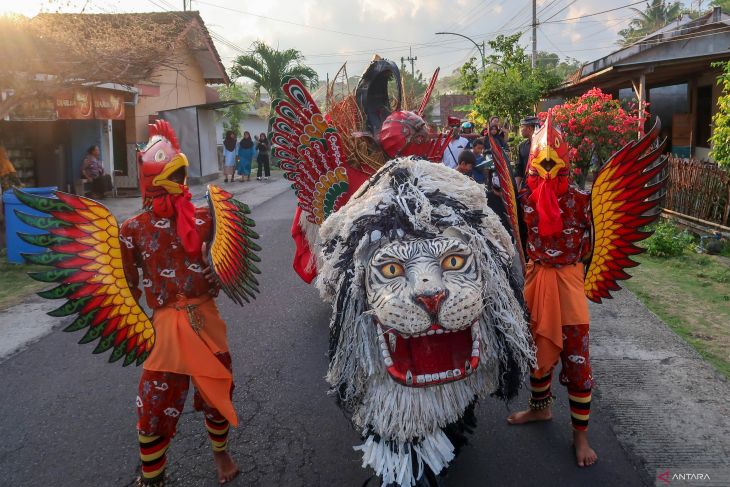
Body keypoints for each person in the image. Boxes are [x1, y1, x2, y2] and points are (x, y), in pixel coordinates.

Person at [121, 121, 241, 485]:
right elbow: (127, 285)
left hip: (205, 316)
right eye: (171, 167)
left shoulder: (206, 218)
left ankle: (220, 453)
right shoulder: (132, 229)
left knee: (217, 390)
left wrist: (216, 267)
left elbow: (225, 267)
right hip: (166, 326)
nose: (182, 175)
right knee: (154, 400)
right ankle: (152, 476)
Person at [507, 120, 597, 469]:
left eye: (551, 162)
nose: (545, 170)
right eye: (539, 163)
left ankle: (581, 437)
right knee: (536, 351)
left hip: (569, 284)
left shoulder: (583, 201)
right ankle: (540, 409)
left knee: (577, 357)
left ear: (564, 161)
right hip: (537, 280)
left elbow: (589, 248)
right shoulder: (524, 200)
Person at [515, 116, 540, 189]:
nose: (521, 130)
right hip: (526, 187)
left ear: (529, 128)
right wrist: (516, 188)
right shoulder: (522, 146)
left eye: (522, 127)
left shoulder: (544, 145)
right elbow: (519, 168)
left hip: (541, 187)